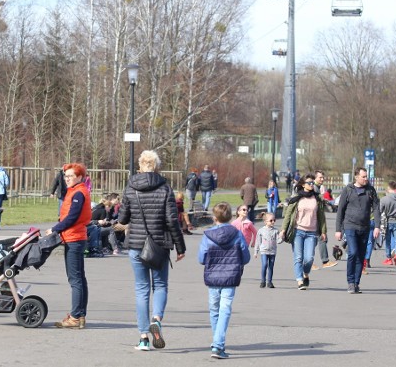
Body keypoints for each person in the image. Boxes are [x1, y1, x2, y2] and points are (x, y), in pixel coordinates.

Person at [117, 150, 186, 351]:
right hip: (159, 245)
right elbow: (172, 220)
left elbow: (122, 219)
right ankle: (156, 318)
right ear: (156, 166)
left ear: (140, 166)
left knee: (141, 289)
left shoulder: (131, 187)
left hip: (136, 245)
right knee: (161, 285)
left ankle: (143, 337)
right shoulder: (165, 188)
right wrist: (180, 247)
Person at [197, 202, 250, 360]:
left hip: (213, 276)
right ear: (231, 216)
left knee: (214, 310)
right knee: (225, 309)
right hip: (231, 276)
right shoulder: (237, 233)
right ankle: (218, 344)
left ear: (214, 218)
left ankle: (217, 341)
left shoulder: (207, 235)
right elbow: (245, 257)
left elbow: (201, 258)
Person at [45, 163, 91, 329]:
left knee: (75, 279)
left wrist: (55, 229)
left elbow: (72, 217)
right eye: (66, 176)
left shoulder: (79, 192)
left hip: (75, 238)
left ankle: (75, 316)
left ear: (79, 177)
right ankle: (80, 314)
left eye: (71, 176)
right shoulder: (76, 190)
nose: (67, 179)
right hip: (75, 237)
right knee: (79, 278)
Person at [335, 167, 380, 294]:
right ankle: (350, 282)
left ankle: (356, 283)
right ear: (356, 177)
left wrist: (377, 226)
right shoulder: (348, 190)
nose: (366, 179)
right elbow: (341, 210)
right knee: (353, 252)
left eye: (367, 176)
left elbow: (376, 208)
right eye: (363, 176)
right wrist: (338, 229)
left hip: (365, 227)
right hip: (350, 226)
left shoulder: (370, 190)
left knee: (361, 256)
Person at [280, 174, 327, 290]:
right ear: (302, 184)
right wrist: (283, 230)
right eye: (309, 183)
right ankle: (300, 280)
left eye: (312, 183)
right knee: (298, 257)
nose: (311, 185)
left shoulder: (316, 198)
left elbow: (321, 216)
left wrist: (323, 231)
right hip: (298, 231)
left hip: (312, 232)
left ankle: (306, 273)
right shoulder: (297, 198)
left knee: (309, 258)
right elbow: (288, 215)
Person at [312, 170, 338, 270]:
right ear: (315, 178)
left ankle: (324, 261)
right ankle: (313, 262)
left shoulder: (317, 188)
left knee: (321, 238)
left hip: (318, 217)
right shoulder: (314, 188)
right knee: (315, 240)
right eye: (320, 177)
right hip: (315, 218)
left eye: (323, 177)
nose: (322, 179)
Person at [380, 181, 396, 267]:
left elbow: (380, 210)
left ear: (388, 188)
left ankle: (388, 258)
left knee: (388, 241)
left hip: (388, 221)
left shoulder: (384, 199)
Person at [255, 212, 279, 288]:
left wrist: (282, 237)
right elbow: (258, 241)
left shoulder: (275, 231)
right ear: (265, 221)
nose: (273, 222)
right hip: (264, 251)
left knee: (271, 266)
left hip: (272, 251)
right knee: (264, 264)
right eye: (271, 220)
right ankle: (263, 281)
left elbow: (278, 241)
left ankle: (269, 282)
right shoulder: (261, 230)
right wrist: (256, 251)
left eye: (274, 220)